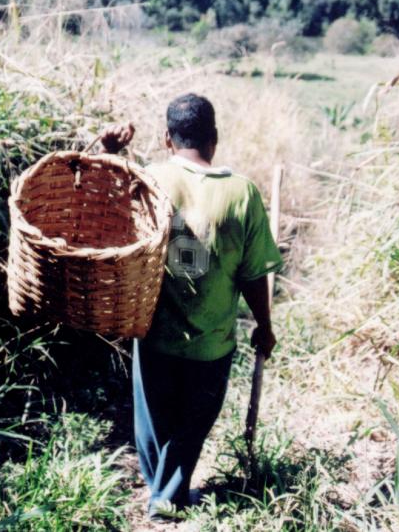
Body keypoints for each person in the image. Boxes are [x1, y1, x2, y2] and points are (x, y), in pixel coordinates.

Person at [100, 93, 282, 520]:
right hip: (213, 341)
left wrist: (111, 153)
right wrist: (264, 325)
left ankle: (162, 490)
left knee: (155, 420)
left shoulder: (151, 180)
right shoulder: (243, 193)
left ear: (167, 138)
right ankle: (167, 498)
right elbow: (254, 274)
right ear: (214, 138)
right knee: (194, 421)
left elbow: (105, 212)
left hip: (154, 332)